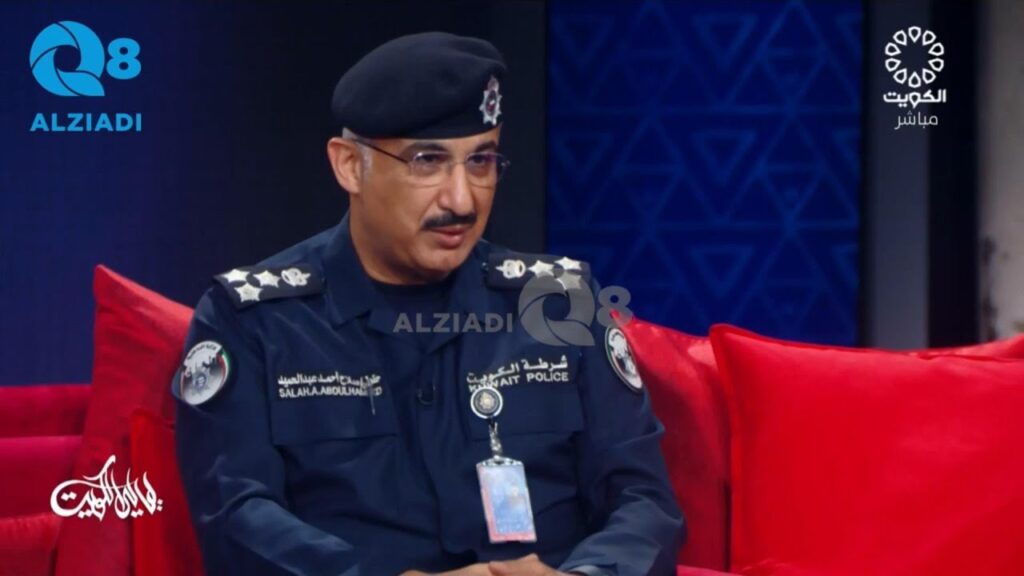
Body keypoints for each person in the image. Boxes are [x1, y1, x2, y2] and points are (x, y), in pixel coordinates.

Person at [173, 31, 684, 576]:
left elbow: (642, 501)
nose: (461, 199)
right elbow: (237, 517)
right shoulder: (253, 319)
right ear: (350, 167)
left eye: (481, 160)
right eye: (427, 161)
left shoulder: (558, 303)